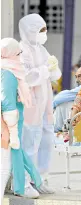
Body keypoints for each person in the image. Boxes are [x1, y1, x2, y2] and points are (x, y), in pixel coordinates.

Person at [19, 13, 61, 193]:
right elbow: (27, 77)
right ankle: (25, 182)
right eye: (41, 30)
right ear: (30, 31)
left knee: (46, 140)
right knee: (29, 143)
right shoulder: (22, 50)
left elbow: (54, 74)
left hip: (45, 103)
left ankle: (40, 179)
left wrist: (53, 69)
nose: (45, 33)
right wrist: (45, 69)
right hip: (32, 104)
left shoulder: (41, 49)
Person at [1, 38, 42, 199]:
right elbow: (7, 101)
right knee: (15, 152)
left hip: (11, 119)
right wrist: (10, 127)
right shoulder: (8, 72)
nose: (19, 56)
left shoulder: (8, 69)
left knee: (15, 153)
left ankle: (26, 182)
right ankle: (22, 186)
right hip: (10, 120)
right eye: (17, 53)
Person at [53, 65, 81, 132]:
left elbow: (57, 99)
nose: (77, 80)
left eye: (80, 76)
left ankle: (57, 130)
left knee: (63, 103)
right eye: (76, 77)